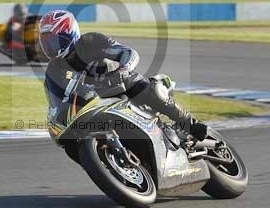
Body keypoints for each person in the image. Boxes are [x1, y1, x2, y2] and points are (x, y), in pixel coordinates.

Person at [38, 9, 208, 141]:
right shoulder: (53, 69)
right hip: (92, 102)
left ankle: (190, 124)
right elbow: (56, 101)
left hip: (119, 83)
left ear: (70, 34)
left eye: (54, 40)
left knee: (150, 90)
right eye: (46, 42)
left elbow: (128, 53)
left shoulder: (91, 41)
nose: (50, 47)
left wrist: (122, 69)